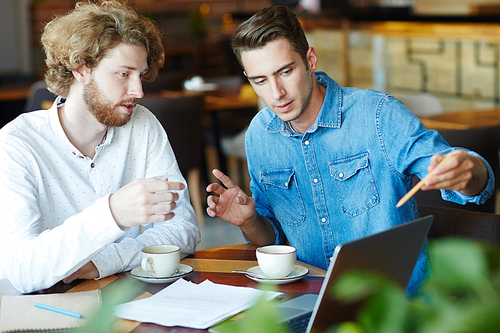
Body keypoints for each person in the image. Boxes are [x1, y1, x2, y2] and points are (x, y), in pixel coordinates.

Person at [206, 6, 494, 295]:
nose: (276, 92)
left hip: (394, 303)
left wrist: (469, 170)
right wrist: (249, 221)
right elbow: (272, 238)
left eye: (286, 71)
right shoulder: (260, 135)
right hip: (309, 298)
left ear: (310, 60)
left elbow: (471, 182)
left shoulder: (377, 114)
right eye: (260, 81)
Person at [0, 0, 201, 293]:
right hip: (48, 306)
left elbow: (183, 230)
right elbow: (22, 270)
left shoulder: (143, 125)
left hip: (130, 298)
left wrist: (103, 261)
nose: (139, 91)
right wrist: (112, 214)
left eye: (141, 75)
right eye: (124, 74)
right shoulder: (17, 145)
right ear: (81, 68)